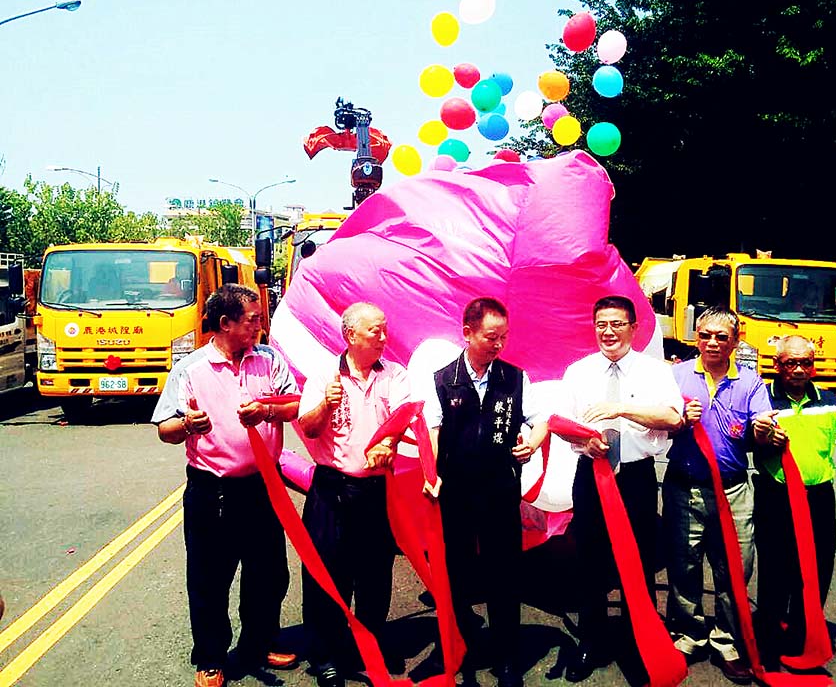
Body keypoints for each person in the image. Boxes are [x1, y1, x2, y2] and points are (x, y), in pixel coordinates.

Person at [151, 284, 301, 687]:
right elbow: (165, 428)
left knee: (269, 572)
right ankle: (212, 657)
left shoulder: (268, 360)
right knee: (209, 577)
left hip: (264, 486)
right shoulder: (191, 369)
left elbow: (295, 403)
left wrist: (268, 409)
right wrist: (186, 425)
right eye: (252, 319)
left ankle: (259, 641)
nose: (259, 325)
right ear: (226, 323)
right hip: (211, 493)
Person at [423, 297, 548, 687]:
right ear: (467, 334)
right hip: (456, 492)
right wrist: (432, 473)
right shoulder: (443, 379)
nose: (499, 344)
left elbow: (541, 418)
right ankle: (457, 644)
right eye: (491, 337)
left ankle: (507, 656)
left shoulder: (514, 377)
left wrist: (534, 442)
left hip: (499, 490)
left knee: (504, 574)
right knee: (456, 572)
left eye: (504, 337)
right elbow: (434, 428)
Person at [559, 295, 684, 683]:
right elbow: (562, 422)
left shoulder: (654, 371)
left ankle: (638, 642)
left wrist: (622, 410)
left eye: (616, 324)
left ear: (633, 327)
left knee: (640, 561)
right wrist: (584, 442)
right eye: (601, 324)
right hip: (592, 475)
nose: (608, 332)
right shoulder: (578, 371)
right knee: (590, 561)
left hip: (635, 478)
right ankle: (590, 642)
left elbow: (673, 417)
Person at [297, 302, 410, 687]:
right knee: (327, 575)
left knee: (376, 573)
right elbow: (308, 429)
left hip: (376, 490)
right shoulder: (323, 375)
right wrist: (325, 406)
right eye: (374, 331)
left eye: (384, 329)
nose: (383, 337)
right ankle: (327, 655)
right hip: (331, 490)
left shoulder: (394, 374)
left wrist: (389, 443)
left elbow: (401, 419)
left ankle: (371, 643)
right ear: (350, 335)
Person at [664, 306, 773, 684]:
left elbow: (761, 433)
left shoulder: (751, 382)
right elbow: (657, 429)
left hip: (733, 490)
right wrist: (680, 422)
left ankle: (727, 641)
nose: (712, 342)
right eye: (705, 334)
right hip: (683, 486)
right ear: (696, 336)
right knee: (683, 564)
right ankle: (687, 635)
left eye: (721, 336)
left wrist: (763, 430)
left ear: (736, 340)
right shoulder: (674, 376)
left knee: (735, 568)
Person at [752, 335, 836, 668]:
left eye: (806, 362)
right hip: (776, 496)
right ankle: (769, 642)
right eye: (791, 362)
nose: (799, 369)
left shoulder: (830, 401)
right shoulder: (762, 398)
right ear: (777, 365)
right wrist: (763, 437)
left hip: (819, 497)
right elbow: (748, 436)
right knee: (775, 568)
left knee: (817, 570)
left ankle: (802, 639)